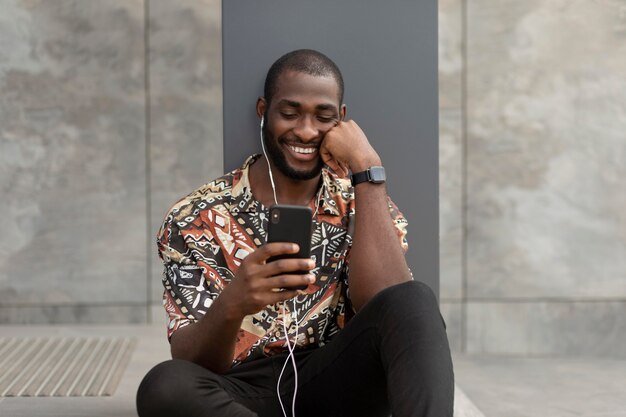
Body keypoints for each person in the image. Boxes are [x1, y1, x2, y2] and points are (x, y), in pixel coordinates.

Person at [137, 49, 454, 417]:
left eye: (323, 117)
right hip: (241, 390)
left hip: (336, 381)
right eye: (289, 113)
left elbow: (388, 305)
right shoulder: (194, 217)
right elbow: (191, 359)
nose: (305, 130)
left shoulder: (362, 202)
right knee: (164, 385)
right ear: (263, 111)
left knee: (413, 299)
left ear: (342, 120)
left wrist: (367, 168)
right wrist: (234, 302)